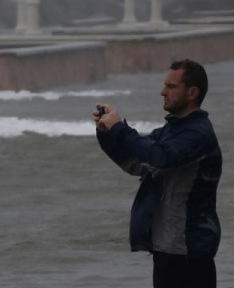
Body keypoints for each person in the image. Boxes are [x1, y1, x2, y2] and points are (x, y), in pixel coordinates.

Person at [93, 59, 222, 288]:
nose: (163, 92)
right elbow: (136, 162)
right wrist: (106, 133)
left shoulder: (198, 134)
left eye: (171, 87)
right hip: (166, 251)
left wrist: (119, 128)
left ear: (192, 92)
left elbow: (161, 157)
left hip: (190, 254)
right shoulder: (170, 131)